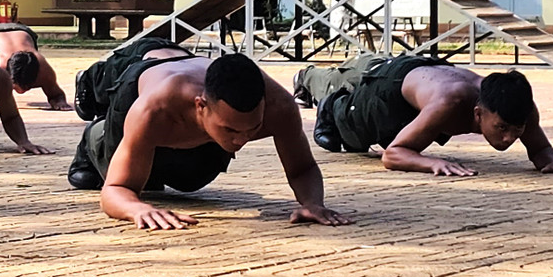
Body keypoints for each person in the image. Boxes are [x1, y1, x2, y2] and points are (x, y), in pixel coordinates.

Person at [68, 52, 351, 231]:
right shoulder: (154, 111)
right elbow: (115, 190)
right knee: (134, 178)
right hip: (143, 71)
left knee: (191, 179)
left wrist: (313, 203)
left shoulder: (280, 107)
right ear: (200, 105)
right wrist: (136, 209)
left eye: (251, 129)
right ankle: (93, 133)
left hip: (188, 63)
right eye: (230, 130)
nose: (241, 140)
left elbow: (302, 168)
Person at [299, 54, 553, 177]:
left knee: (360, 68)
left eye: (517, 130)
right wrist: (431, 162)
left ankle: (354, 71)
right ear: (478, 112)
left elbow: (541, 150)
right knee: (353, 136)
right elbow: (393, 155)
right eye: (502, 128)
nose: (510, 137)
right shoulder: (451, 101)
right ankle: (321, 92)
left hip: (424, 72)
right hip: (389, 87)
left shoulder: (520, 106)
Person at [0, 23, 72, 110]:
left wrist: (59, 101)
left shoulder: (43, 69)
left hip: (22, 31)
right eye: (14, 86)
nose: (21, 91)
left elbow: (57, 94)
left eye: (28, 87)